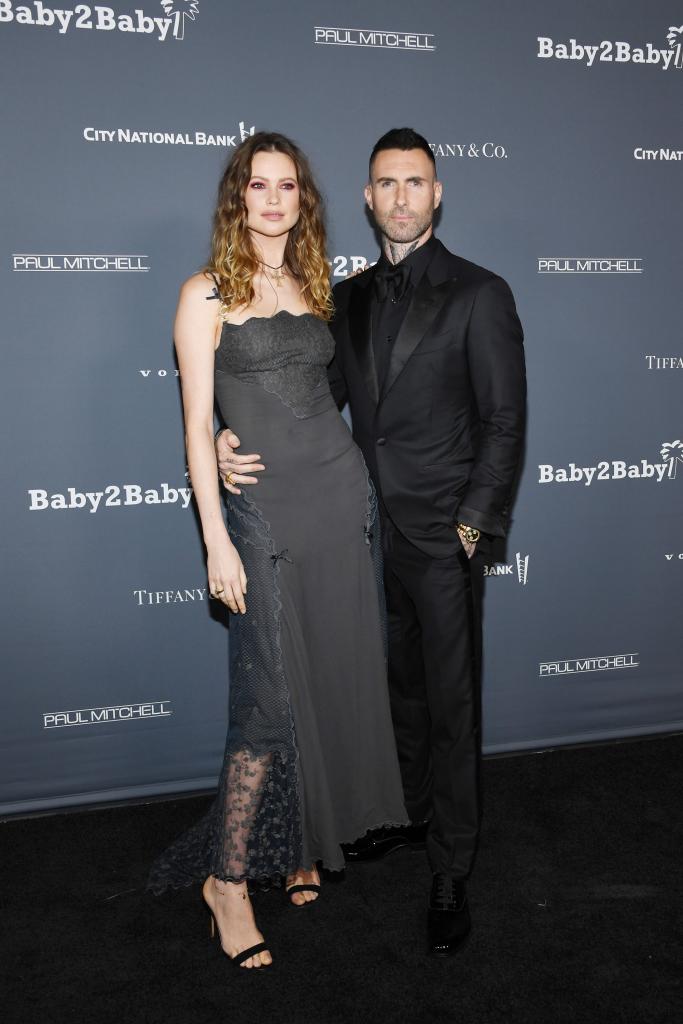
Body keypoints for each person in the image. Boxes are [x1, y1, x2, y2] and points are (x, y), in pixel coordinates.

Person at [217, 127, 526, 957]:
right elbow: (300, 401)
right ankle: (407, 812)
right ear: (366, 197)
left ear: (435, 194)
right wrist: (222, 435)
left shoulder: (478, 292)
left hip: (442, 538)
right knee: (397, 694)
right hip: (358, 537)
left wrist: (471, 524)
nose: (398, 198)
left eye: (413, 183)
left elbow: (502, 422)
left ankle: (451, 867)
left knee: (452, 703)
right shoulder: (344, 297)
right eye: (384, 184)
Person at [148, 132, 408, 969]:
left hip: (339, 502)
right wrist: (215, 535)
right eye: (257, 185)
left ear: (303, 200)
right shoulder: (203, 293)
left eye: (286, 186)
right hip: (262, 519)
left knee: (327, 682)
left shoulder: (315, 286)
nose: (272, 199)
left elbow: (323, 398)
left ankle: (303, 843)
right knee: (264, 705)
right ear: (238, 198)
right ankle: (226, 882)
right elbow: (194, 428)